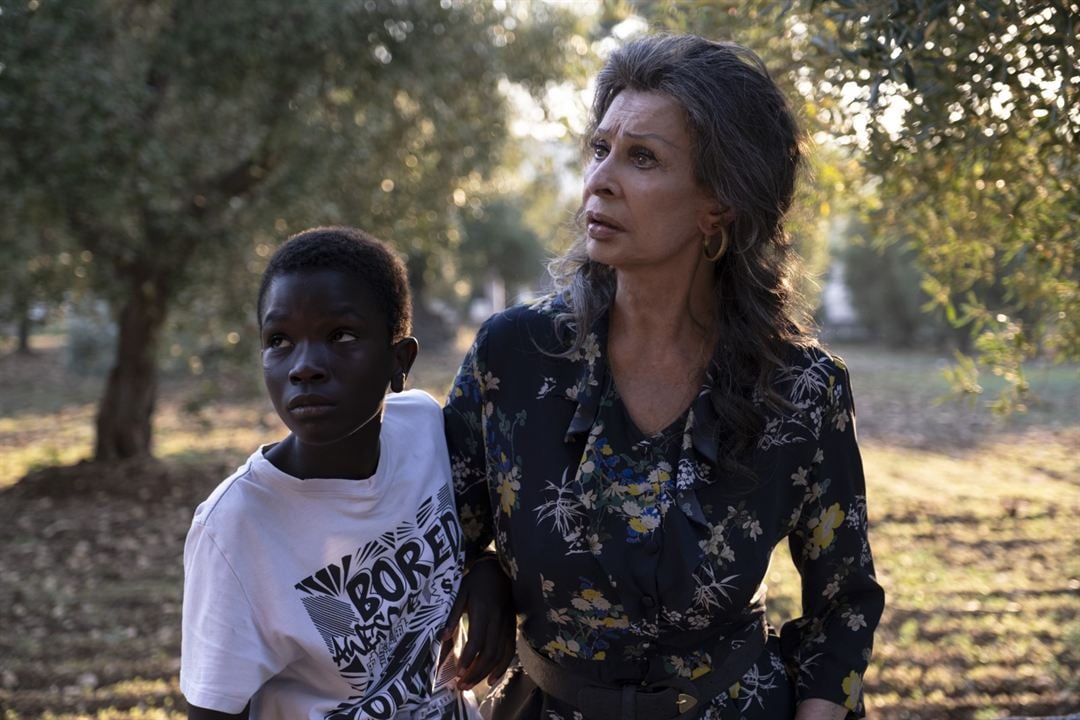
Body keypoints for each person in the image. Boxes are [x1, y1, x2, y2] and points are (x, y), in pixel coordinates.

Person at [444, 35, 885, 720]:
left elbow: (844, 603)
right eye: (600, 150)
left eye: (642, 157)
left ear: (720, 205)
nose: (599, 180)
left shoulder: (800, 390)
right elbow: (444, 535)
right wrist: (483, 577)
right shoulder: (514, 359)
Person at [181, 227, 485, 720]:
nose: (304, 367)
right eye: (278, 340)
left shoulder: (424, 429)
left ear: (399, 361)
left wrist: (484, 571)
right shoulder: (235, 528)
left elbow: (460, 540)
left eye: (340, 335)